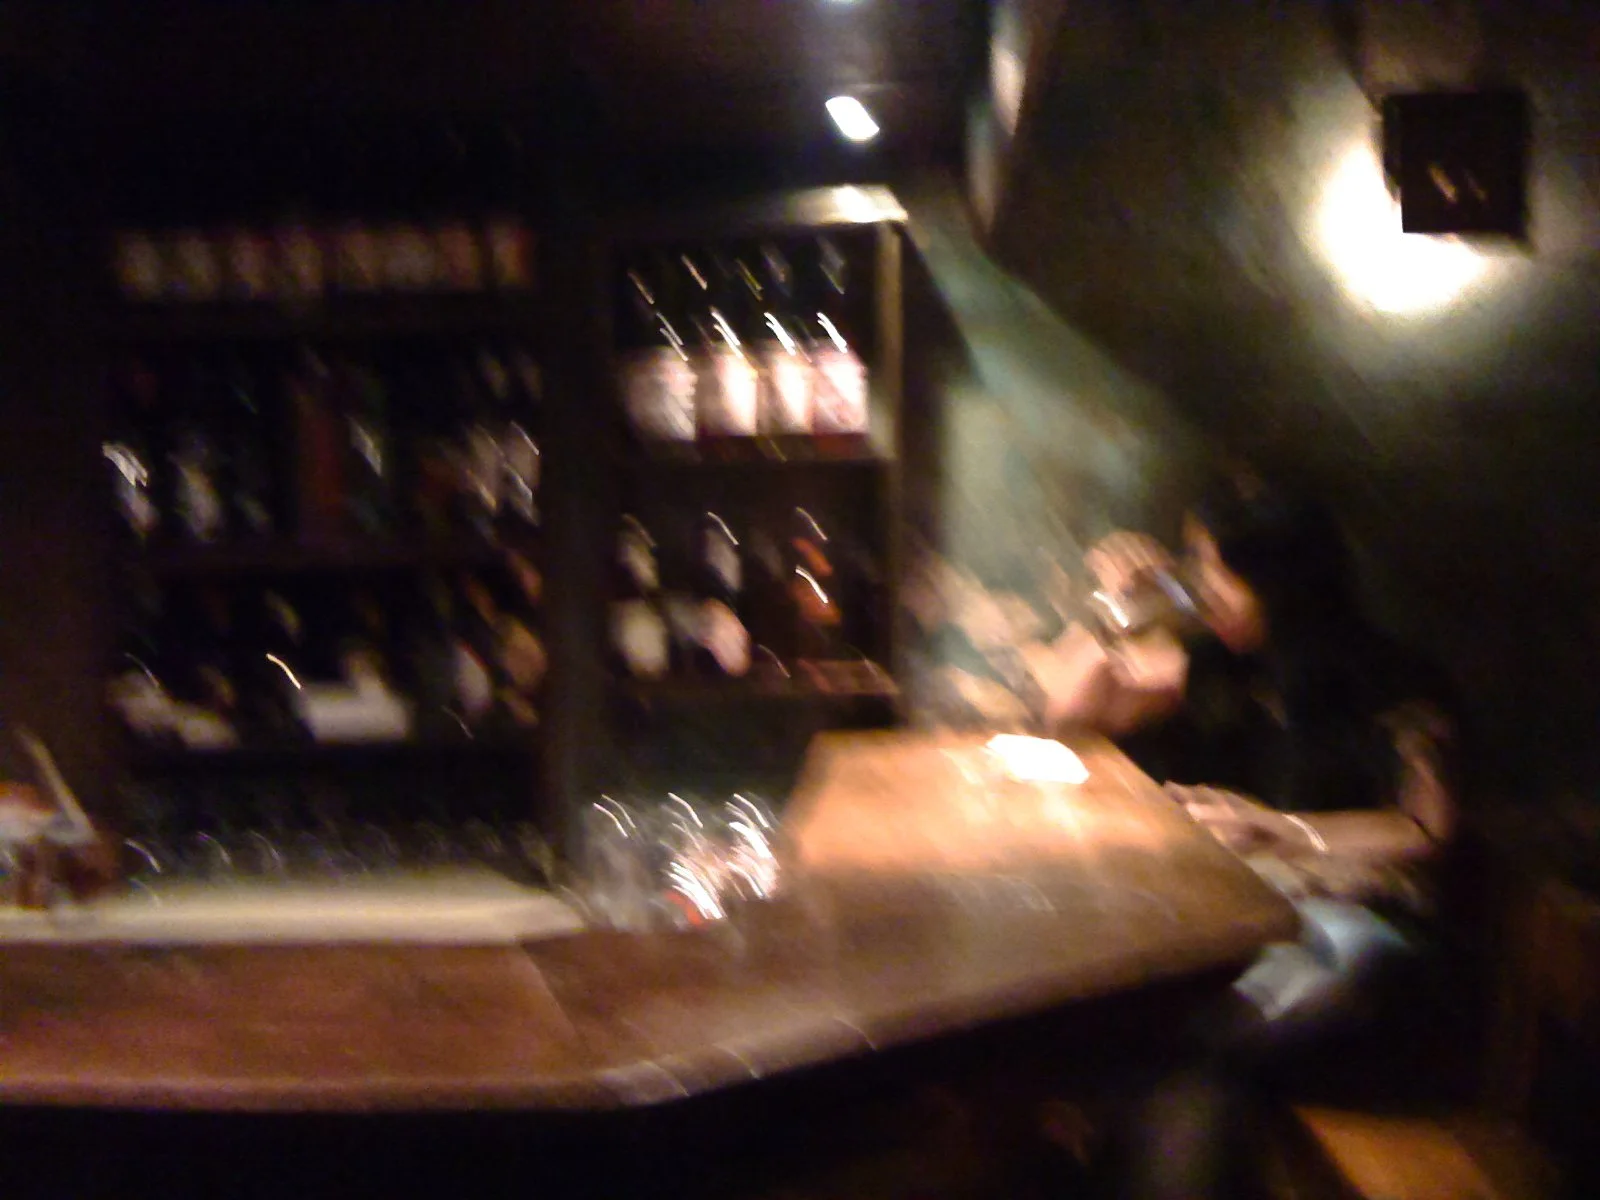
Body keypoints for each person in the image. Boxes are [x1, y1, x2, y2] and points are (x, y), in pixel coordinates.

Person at [1034, 480, 1460, 1198]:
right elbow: (1068, 716)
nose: (1199, 586)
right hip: (1266, 932)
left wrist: (1283, 830)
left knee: (1172, 1052)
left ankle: (1090, 1118)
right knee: (1185, 1069)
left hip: (1372, 947)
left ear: (1276, 577)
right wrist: (1116, 601)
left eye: (1210, 566)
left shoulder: (1393, 678)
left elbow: (1427, 829)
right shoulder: (1224, 667)